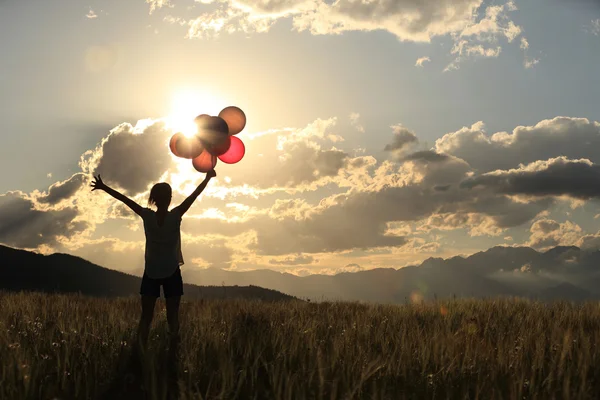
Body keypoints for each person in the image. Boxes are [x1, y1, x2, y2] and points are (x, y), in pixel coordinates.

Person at [90, 169, 217, 356]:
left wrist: (103, 187)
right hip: (172, 271)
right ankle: (173, 352)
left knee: (146, 316)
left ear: (154, 199)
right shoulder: (176, 215)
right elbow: (194, 195)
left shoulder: (147, 216)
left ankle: (139, 350)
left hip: (151, 272)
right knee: (172, 316)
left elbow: (125, 200)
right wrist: (207, 178)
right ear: (170, 198)